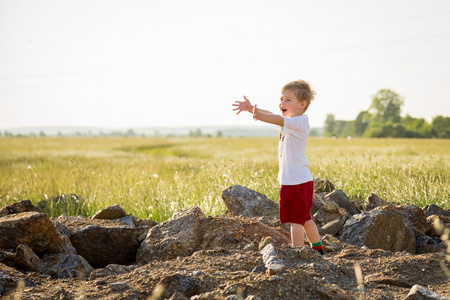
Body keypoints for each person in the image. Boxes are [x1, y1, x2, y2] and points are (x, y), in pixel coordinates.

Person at [232, 79, 325, 257]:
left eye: (288, 100)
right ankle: (318, 249)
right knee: (304, 218)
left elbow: (274, 117)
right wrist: (252, 109)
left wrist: (257, 114)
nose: (282, 103)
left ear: (302, 104)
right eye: (281, 99)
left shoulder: (299, 122)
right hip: (297, 179)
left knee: (295, 221)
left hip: (296, 181)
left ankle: (297, 254)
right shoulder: (290, 122)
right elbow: (275, 116)